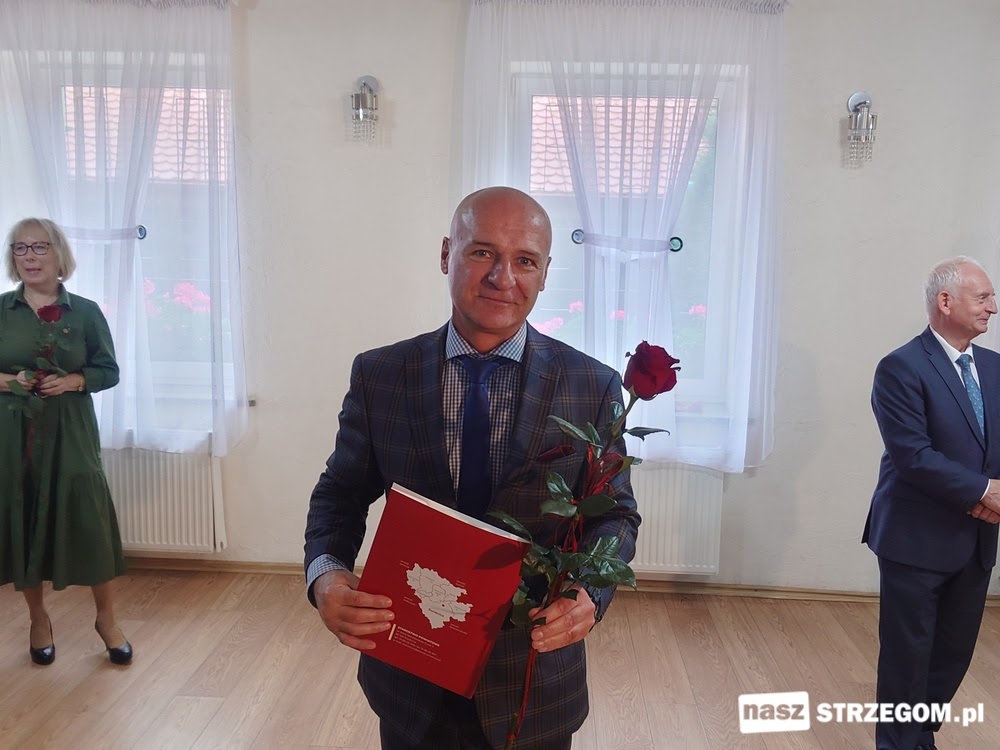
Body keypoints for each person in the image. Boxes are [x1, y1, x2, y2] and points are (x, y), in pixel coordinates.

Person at [304, 187, 640, 750]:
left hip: (532, 682)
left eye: (525, 260)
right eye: (482, 252)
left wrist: (589, 593)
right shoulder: (381, 375)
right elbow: (340, 494)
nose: (503, 277)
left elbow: (616, 516)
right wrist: (327, 575)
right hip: (410, 670)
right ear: (446, 254)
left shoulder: (592, 386)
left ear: (544, 273)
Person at [863, 256, 1000, 750]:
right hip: (915, 537)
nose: (993, 307)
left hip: (977, 538)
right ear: (946, 301)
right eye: (983, 297)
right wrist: (984, 492)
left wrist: (991, 497)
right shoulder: (900, 367)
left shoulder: (994, 366)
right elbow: (913, 456)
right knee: (908, 657)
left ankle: (919, 736)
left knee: (952, 656)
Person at [0, 218, 132, 666]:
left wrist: (75, 381)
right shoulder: (2, 310)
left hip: (71, 431)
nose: (30, 256)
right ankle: (38, 618)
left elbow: (108, 371)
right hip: (14, 432)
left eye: (40, 247)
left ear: (59, 254)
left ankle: (106, 618)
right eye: (20, 248)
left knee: (87, 518)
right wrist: (10, 381)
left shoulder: (85, 312)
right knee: (24, 514)